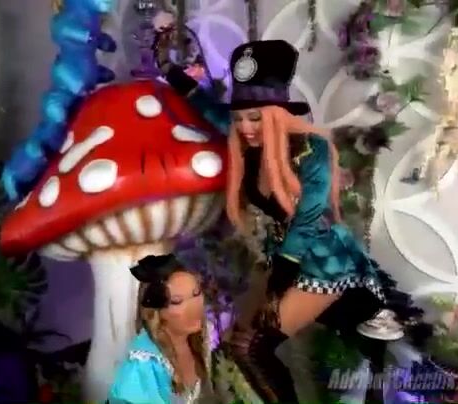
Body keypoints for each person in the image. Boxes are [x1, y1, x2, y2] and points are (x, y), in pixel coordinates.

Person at [155, 38, 430, 401]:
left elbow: (307, 218)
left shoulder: (312, 151)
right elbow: (206, 107)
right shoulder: (247, 143)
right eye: (239, 118)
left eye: (255, 118)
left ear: (276, 115)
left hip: (324, 265)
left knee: (253, 347)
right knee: (237, 345)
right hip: (283, 260)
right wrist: (169, 69)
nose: (245, 127)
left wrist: (278, 281)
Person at [108, 254, 216, 404]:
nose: (194, 307)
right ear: (156, 312)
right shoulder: (143, 366)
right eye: (177, 301)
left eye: (196, 293)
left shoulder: (201, 337)